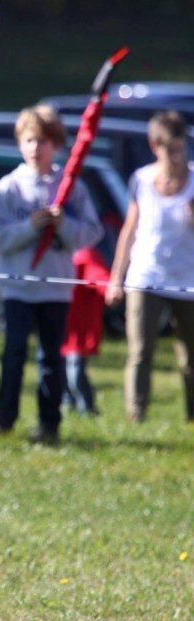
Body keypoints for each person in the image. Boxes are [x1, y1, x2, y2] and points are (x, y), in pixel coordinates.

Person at [0, 105, 103, 444]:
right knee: (14, 354)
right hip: (17, 287)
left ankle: (49, 424)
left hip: (56, 288)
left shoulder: (72, 188)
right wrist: (30, 226)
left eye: (45, 141)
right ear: (20, 143)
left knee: (52, 358)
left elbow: (92, 233)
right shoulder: (9, 187)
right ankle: (4, 419)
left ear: (57, 144)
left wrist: (62, 224)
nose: (37, 147)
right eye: (30, 140)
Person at [106, 110, 194, 422]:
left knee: (189, 358)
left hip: (188, 280)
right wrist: (116, 277)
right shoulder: (141, 179)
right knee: (140, 352)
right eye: (168, 149)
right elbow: (129, 230)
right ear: (154, 146)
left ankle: (191, 417)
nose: (175, 155)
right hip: (146, 276)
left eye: (180, 147)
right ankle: (136, 415)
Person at [61, 247, 110, 415]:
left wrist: (109, 289)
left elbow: (99, 277)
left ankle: (88, 409)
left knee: (75, 370)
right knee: (60, 369)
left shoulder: (86, 256)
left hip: (79, 328)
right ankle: (67, 404)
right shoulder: (60, 254)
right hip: (61, 325)